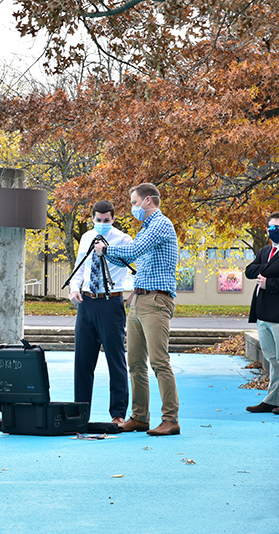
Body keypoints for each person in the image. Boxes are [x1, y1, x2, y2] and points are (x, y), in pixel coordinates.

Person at [95, 183, 180, 436]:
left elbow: (132, 251)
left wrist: (106, 250)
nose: (133, 207)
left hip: (157, 301)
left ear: (148, 200)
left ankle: (170, 419)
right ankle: (140, 416)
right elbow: (133, 260)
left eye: (134, 202)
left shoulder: (160, 225)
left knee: (159, 362)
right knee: (134, 362)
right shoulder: (146, 229)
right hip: (141, 299)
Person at [69, 200, 133, 425]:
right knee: (82, 361)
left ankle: (118, 414)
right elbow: (80, 267)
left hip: (111, 303)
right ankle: (80, 413)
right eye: (99, 220)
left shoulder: (123, 240)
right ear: (93, 218)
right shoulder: (86, 238)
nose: (102, 223)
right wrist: (74, 288)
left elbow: (134, 265)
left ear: (113, 219)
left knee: (116, 360)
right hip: (86, 303)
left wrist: (133, 290)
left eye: (107, 220)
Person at [244, 211, 279, 414]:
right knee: (272, 359)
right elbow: (249, 270)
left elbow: (258, 272)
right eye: (273, 227)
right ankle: (272, 398)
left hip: (277, 315)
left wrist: (269, 282)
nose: (276, 231)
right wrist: (268, 269)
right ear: (267, 230)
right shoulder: (265, 251)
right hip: (262, 313)